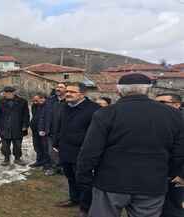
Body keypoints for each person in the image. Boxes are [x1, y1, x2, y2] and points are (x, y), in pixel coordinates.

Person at [76, 74, 184, 217]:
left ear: (119, 91)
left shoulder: (106, 113)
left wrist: (84, 178)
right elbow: (179, 152)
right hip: (152, 183)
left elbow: (90, 151)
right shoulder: (173, 114)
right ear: (148, 90)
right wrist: (167, 173)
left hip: (110, 182)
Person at [55, 82, 100, 217]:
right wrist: (57, 142)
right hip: (65, 150)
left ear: (83, 94)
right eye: (67, 91)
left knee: (84, 182)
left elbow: (97, 134)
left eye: (72, 92)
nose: (68, 94)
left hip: (82, 153)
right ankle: (74, 199)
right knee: (70, 178)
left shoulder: (94, 109)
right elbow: (60, 126)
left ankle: (86, 208)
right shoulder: (64, 106)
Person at [155, 93, 184, 217]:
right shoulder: (156, 122)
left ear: (176, 105)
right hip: (158, 176)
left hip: (177, 177)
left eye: (162, 103)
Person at [0, 86, 30, 166]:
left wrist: (25, 125)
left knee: (17, 145)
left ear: (14, 92)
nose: (8, 94)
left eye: (10, 92)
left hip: (18, 127)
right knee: (5, 145)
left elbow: (26, 115)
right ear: (4, 93)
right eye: (6, 93)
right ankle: (6, 159)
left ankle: (17, 158)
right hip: (4, 127)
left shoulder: (22, 102)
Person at [39, 83, 67, 176]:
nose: (58, 89)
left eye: (61, 87)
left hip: (64, 131)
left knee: (64, 151)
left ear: (66, 89)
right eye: (57, 87)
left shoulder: (68, 101)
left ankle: (64, 168)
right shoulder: (50, 100)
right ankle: (54, 168)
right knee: (51, 152)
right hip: (51, 131)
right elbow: (43, 115)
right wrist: (42, 128)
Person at [30, 93, 51, 169]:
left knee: (45, 147)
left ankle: (47, 163)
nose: (35, 102)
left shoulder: (48, 106)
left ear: (42, 99)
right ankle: (39, 160)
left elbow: (48, 119)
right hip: (35, 129)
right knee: (37, 146)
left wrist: (45, 129)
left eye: (36, 100)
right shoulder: (35, 106)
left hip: (44, 130)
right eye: (34, 101)